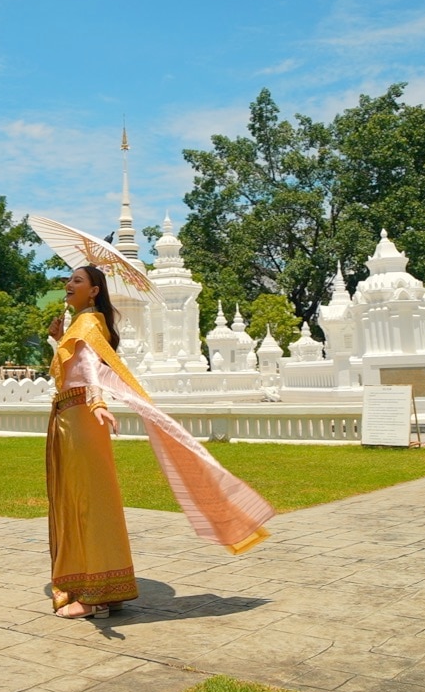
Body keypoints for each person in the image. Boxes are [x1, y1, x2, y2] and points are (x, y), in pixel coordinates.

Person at [44, 264, 274, 619]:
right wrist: (59, 340)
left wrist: (98, 403)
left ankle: (92, 597)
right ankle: (107, 588)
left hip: (80, 417)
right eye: (68, 279)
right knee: (91, 501)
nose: (68, 284)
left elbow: (89, 368)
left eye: (77, 280)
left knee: (85, 503)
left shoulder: (88, 324)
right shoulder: (83, 325)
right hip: (75, 418)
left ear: (94, 291)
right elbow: (74, 367)